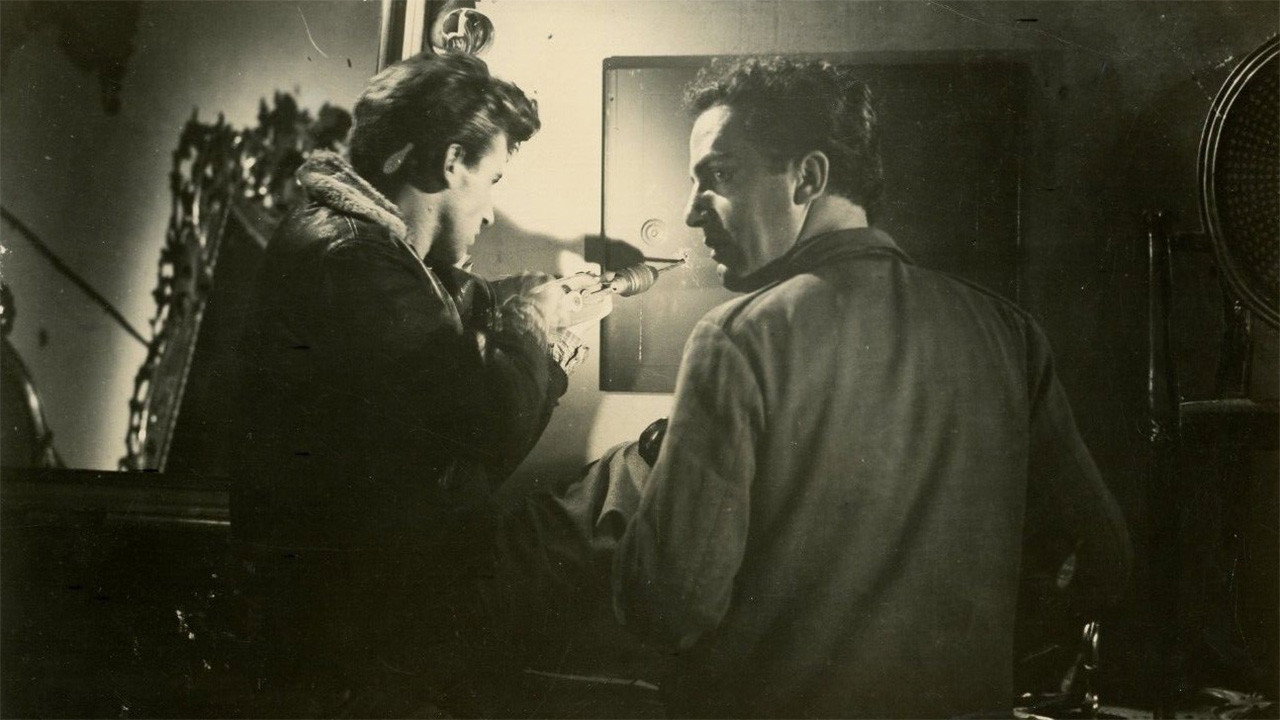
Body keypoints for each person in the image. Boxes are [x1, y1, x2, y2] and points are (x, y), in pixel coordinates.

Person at [608, 57, 1133, 718]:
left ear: (808, 178)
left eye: (720, 175)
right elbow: (1104, 560)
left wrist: (645, 486)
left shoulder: (736, 339)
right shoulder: (1009, 332)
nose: (690, 212)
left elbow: (667, 608)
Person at [231, 51, 602, 716]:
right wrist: (533, 323)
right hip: (357, 651)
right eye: (491, 179)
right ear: (452, 161)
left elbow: (432, 308)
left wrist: (527, 299)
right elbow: (489, 423)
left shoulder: (354, 244)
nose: (489, 213)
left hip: (358, 629)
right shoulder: (351, 259)